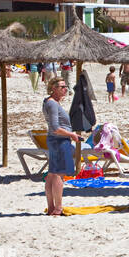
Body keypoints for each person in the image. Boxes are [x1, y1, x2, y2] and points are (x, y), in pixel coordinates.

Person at [43, 78, 81, 216]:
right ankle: (57, 207)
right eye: (62, 87)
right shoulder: (52, 104)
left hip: (55, 140)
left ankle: (52, 207)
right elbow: (55, 127)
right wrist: (71, 134)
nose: (65, 89)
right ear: (53, 88)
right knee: (59, 174)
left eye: (66, 86)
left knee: (52, 173)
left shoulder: (50, 102)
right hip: (59, 141)